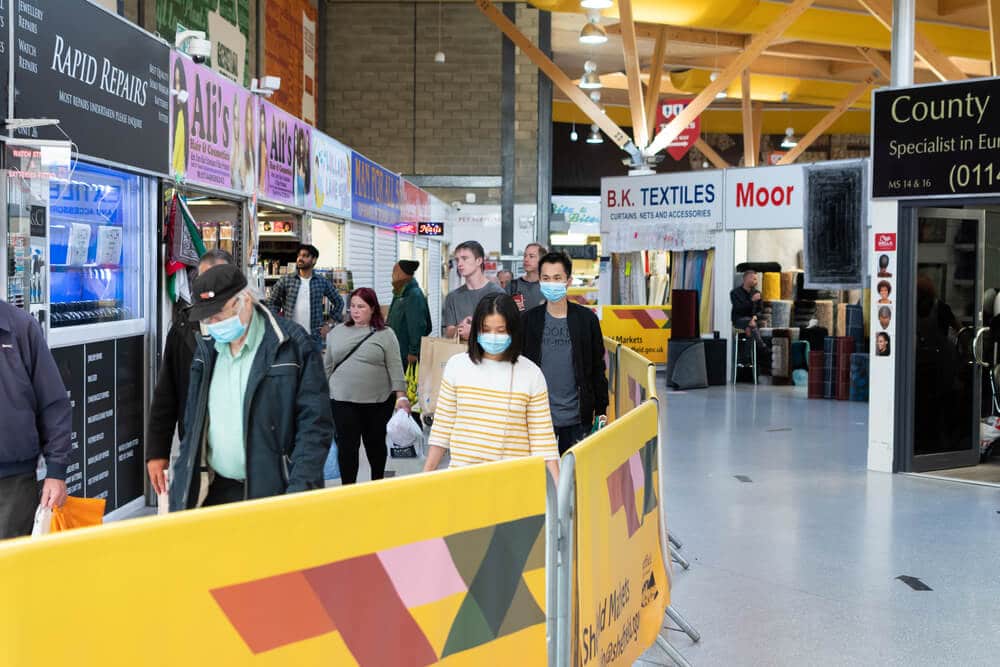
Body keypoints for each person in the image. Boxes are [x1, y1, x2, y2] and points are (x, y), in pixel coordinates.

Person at [169, 264, 333, 510]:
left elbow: (315, 427)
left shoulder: (292, 345)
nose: (212, 323)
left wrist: (299, 493)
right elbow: (192, 428)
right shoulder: (206, 351)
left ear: (244, 300)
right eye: (207, 317)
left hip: (275, 494)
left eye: (218, 314)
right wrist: (180, 491)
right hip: (214, 492)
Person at [424, 293, 560, 481]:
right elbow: (442, 428)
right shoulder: (457, 366)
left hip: (514, 485)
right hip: (463, 481)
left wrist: (560, 495)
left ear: (513, 331)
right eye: (486, 329)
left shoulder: (531, 374)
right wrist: (426, 475)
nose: (492, 337)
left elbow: (543, 440)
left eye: (501, 330)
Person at [146, 249, 234, 497]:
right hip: (197, 451)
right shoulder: (183, 328)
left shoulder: (257, 329)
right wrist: (157, 452)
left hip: (244, 457)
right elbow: (166, 395)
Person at [522, 252, 608, 455]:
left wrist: (601, 411)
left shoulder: (586, 320)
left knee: (572, 478)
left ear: (568, 281)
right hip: (538, 418)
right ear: (540, 281)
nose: (551, 283)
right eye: (546, 278)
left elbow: (597, 367)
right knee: (538, 478)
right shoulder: (528, 321)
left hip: (577, 417)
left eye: (557, 278)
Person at [0, 300, 72, 538]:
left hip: (12, 484)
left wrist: (56, 471)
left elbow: (53, 403)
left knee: (10, 570)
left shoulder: (20, 327)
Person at [325, 288, 408, 484]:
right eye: (352, 306)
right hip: (342, 400)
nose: (355, 311)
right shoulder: (337, 332)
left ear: (372, 308)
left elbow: (395, 366)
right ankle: (348, 490)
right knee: (347, 447)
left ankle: (377, 483)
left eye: (361, 306)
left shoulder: (385, 334)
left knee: (375, 445)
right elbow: (327, 365)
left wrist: (401, 396)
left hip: (377, 402)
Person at [266, 243, 344, 346]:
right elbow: (272, 302)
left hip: (314, 336)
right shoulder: (286, 280)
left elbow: (339, 302)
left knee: (313, 362)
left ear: (314, 260)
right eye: (299, 255)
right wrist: (276, 323)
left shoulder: (322, 281)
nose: (300, 258)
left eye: (305, 256)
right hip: (290, 335)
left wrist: (329, 324)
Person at [443, 240, 504, 341]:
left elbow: (504, 330)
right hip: (461, 354)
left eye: (464, 259)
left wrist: (475, 331)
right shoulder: (452, 297)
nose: (459, 264)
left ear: (478, 261)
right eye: (457, 260)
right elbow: (449, 331)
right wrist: (460, 328)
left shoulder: (498, 294)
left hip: (489, 354)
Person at [387, 259, 432, 370]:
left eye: (394, 271)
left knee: (407, 384)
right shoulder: (400, 293)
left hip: (406, 354)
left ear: (400, 273)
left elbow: (417, 326)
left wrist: (413, 352)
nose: (392, 275)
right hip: (397, 350)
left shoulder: (413, 295)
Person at [508, 243, 546, 311]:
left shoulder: (548, 287)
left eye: (531, 256)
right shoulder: (513, 286)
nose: (526, 259)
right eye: (525, 256)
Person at [730, 270, 763, 344]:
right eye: (754, 279)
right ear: (747, 279)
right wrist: (752, 300)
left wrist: (755, 317)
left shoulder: (757, 293)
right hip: (739, 320)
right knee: (750, 323)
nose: (756, 281)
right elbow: (739, 309)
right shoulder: (735, 293)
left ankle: (747, 354)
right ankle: (762, 347)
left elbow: (760, 310)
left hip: (753, 320)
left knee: (749, 328)